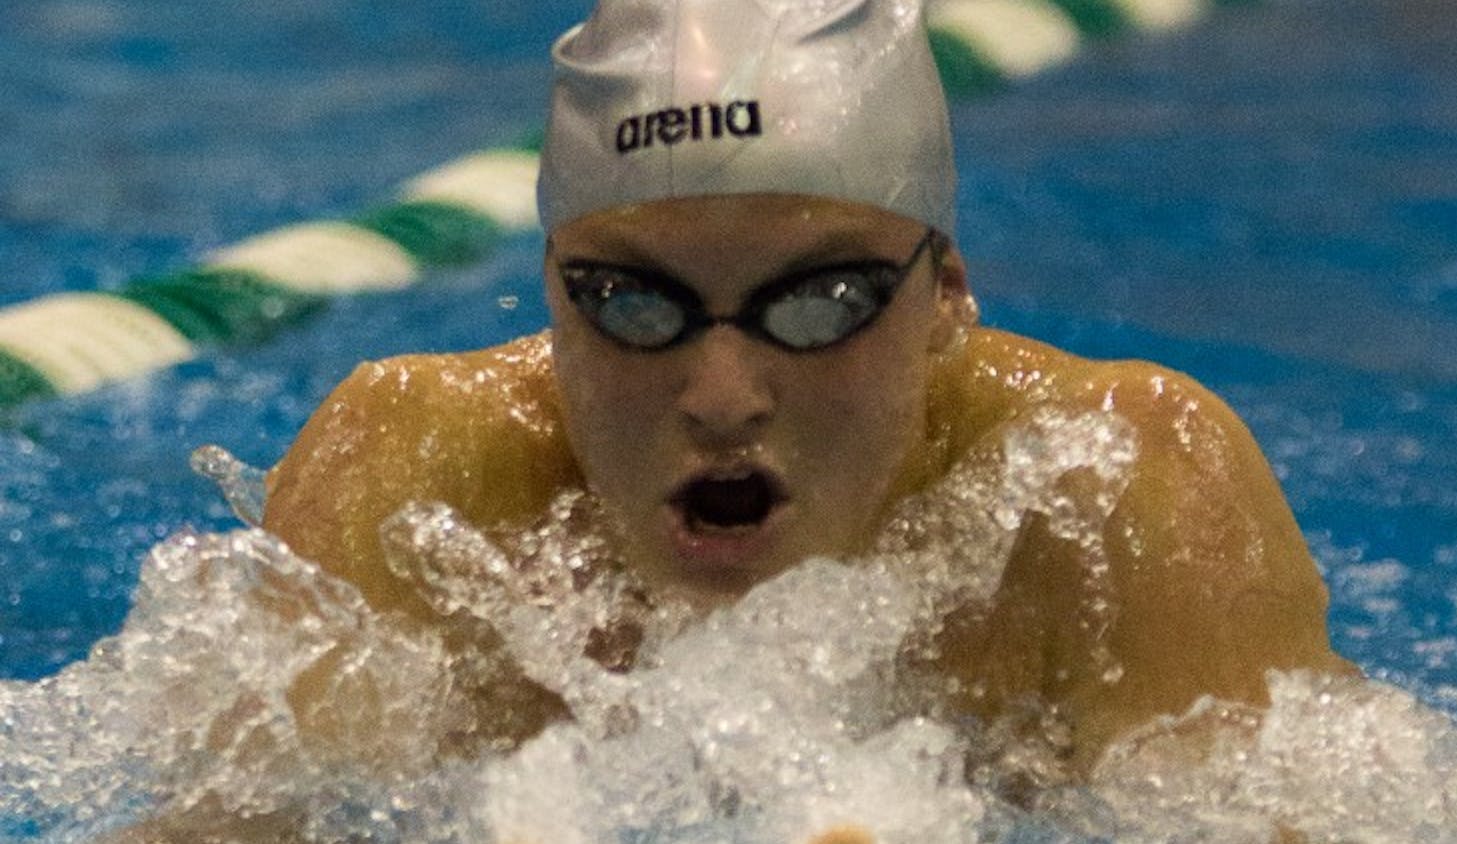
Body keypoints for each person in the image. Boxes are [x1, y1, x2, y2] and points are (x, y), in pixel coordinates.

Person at [258, 0, 1352, 830]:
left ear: (946, 296)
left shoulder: (1114, 486)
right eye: (635, 303)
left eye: (822, 302)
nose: (723, 397)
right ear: (552, 296)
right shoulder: (416, 482)